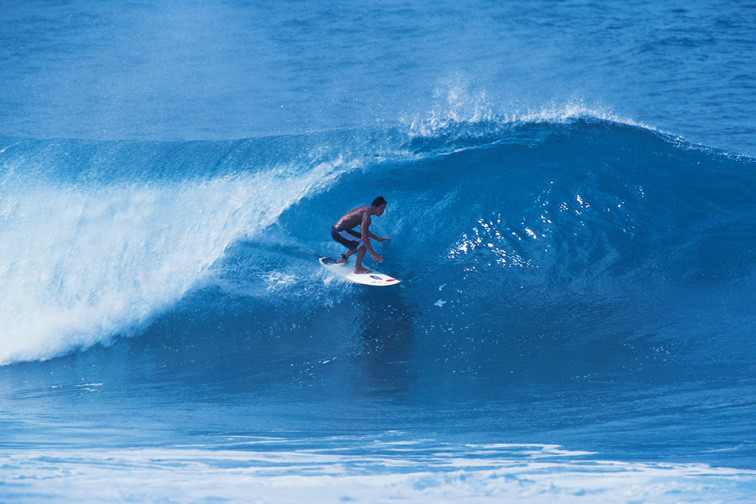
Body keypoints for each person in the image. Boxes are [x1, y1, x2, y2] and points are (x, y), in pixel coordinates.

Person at [330, 196, 390, 274]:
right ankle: (358, 268)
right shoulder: (366, 214)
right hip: (339, 231)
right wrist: (373, 254)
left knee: (357, 243)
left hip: (340, 231)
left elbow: (365, 231)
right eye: (381, 208)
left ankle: (343, 259)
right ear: (374, 206)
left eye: (384, 209)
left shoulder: (365, 210)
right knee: (362, 243)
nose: (382, 211)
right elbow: (364, 236)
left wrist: (379, 239)